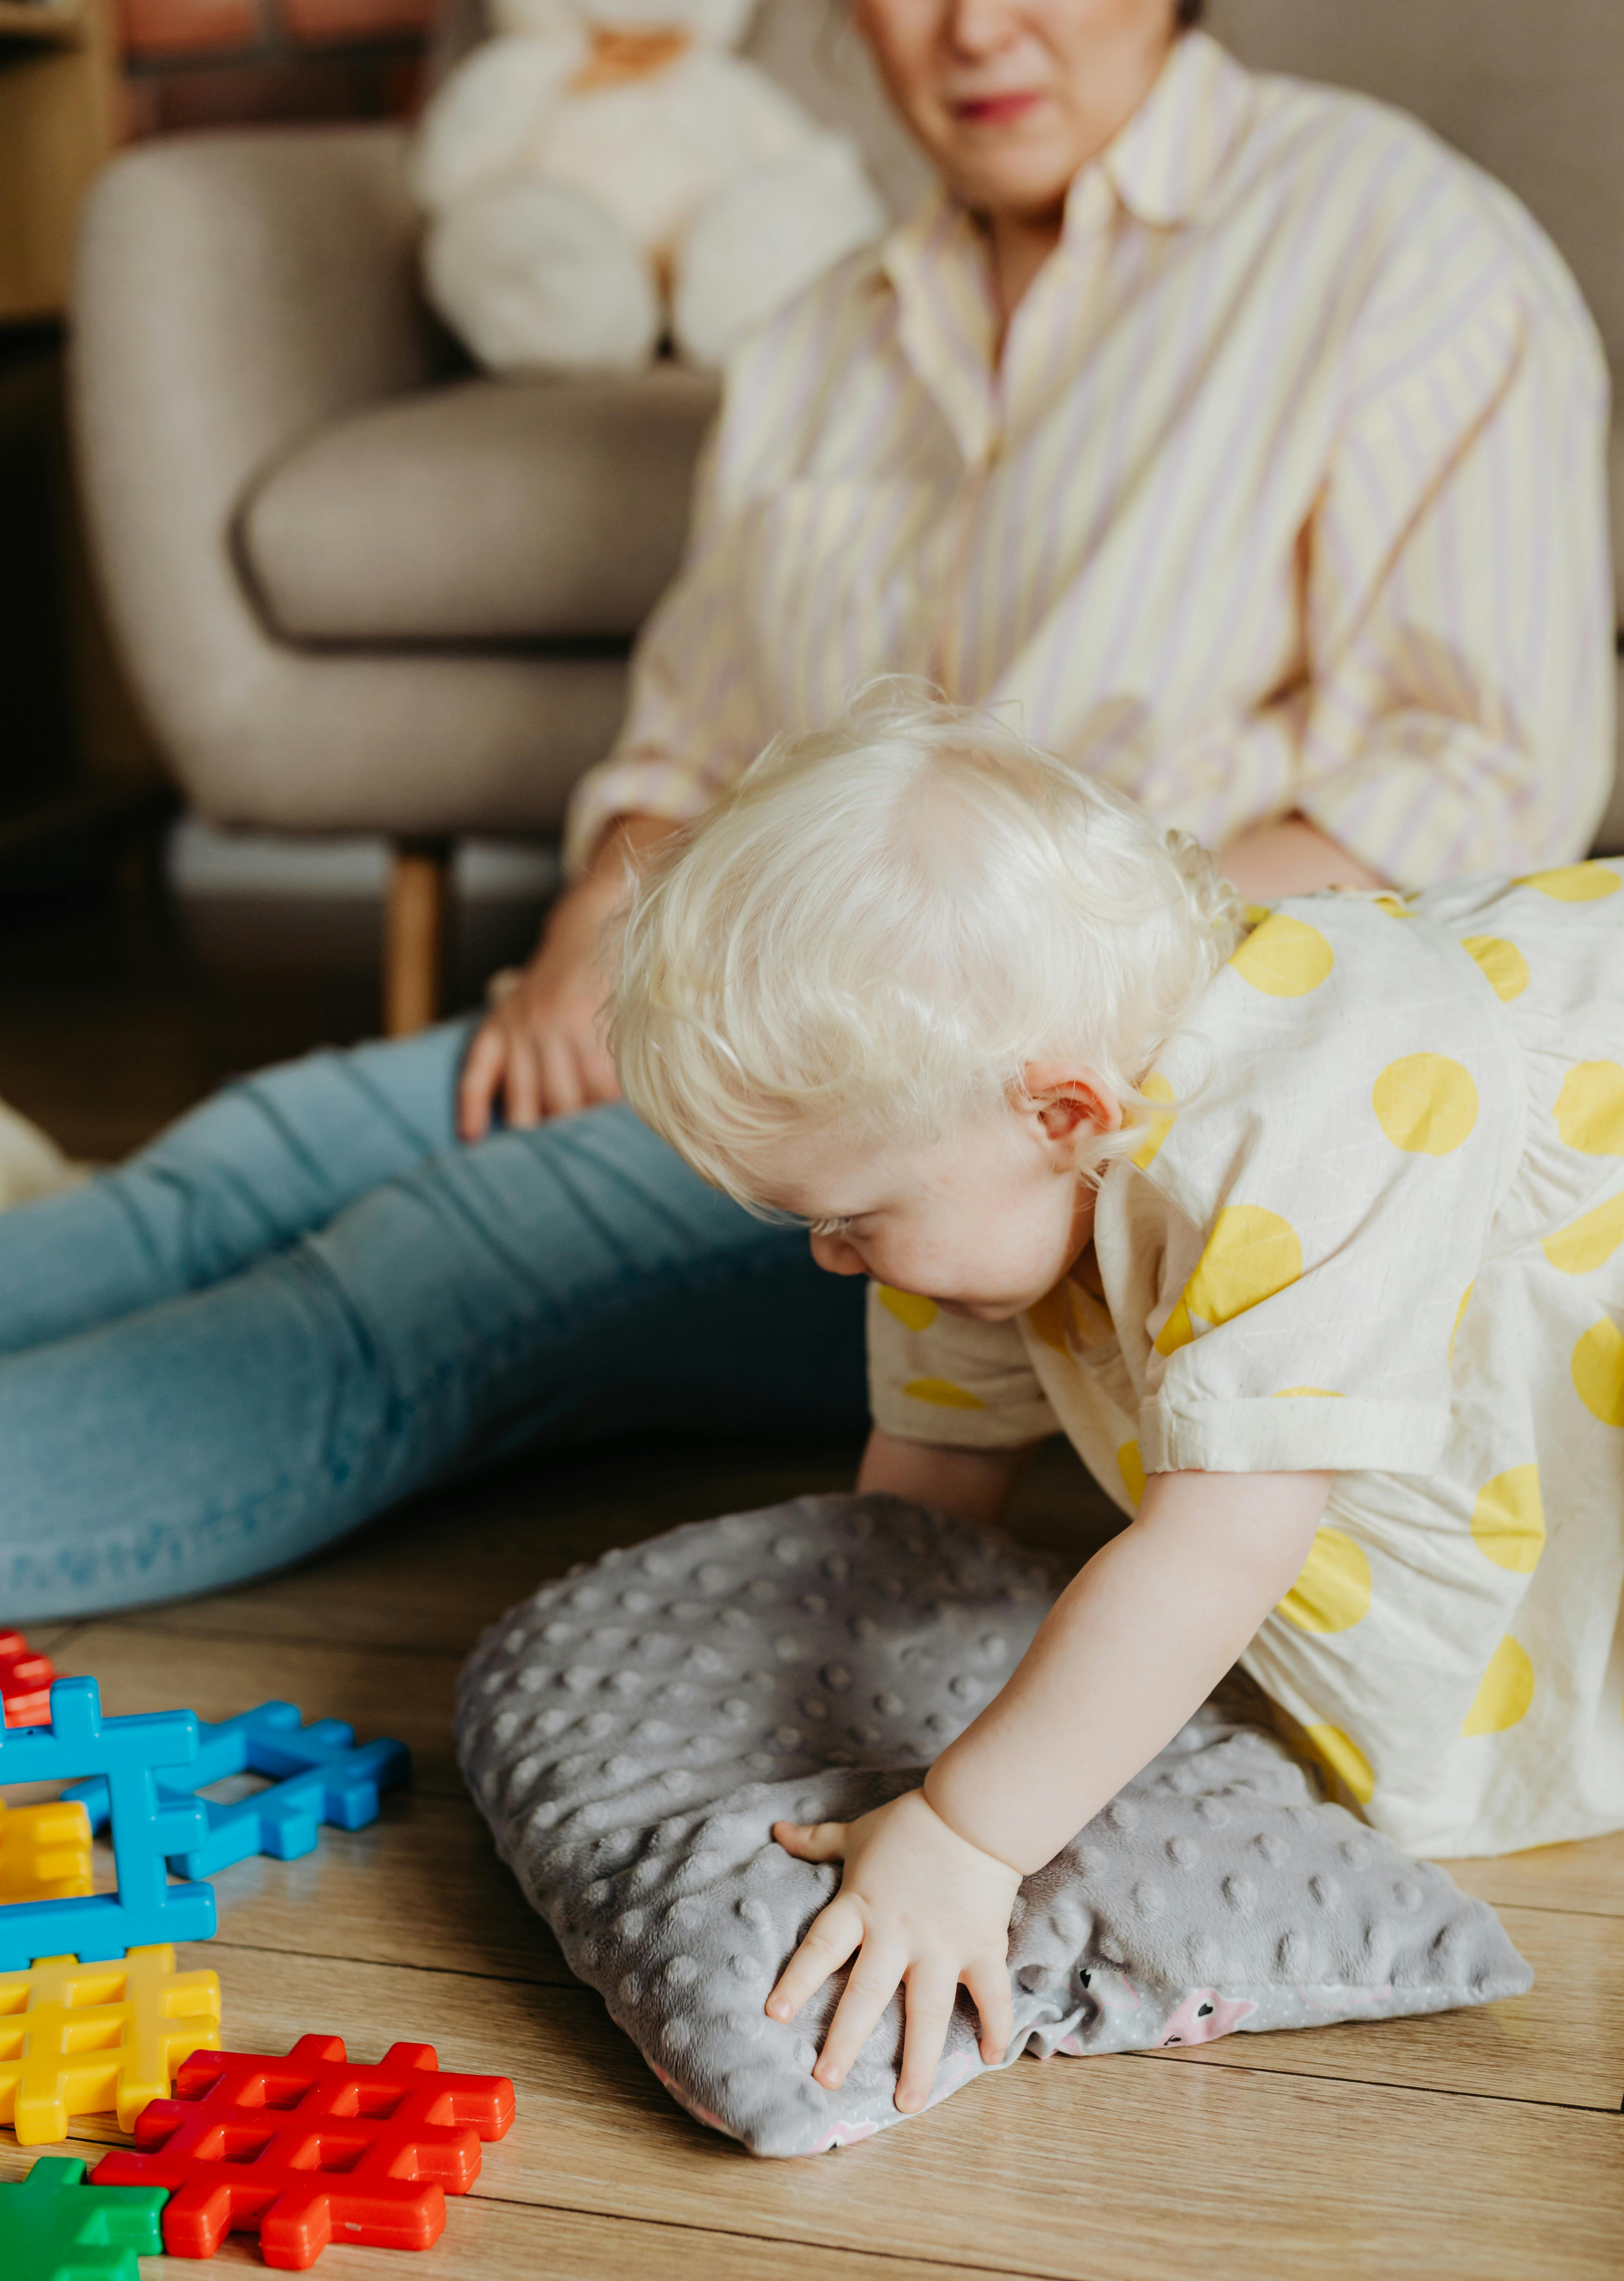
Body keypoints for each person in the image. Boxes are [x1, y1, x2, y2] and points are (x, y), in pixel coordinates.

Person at [0, 0, 1610, 1621]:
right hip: (747, 1021)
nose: (979, 29)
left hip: (994, 1120)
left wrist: (981, 984)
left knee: (423, 1263)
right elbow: (689, 759)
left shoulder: (1402, 248)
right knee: (257, 1155)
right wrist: (585, 938)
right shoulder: (820, 331)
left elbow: (1477, 787)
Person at [610, 689, 1624, 2115]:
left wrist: (967, 1835)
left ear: (1067, 1118)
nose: (833, 1260)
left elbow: (1222, 1546)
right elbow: (925, 1487)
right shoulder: (972, 1167)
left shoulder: (1302, 1133)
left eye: (850, 1220)